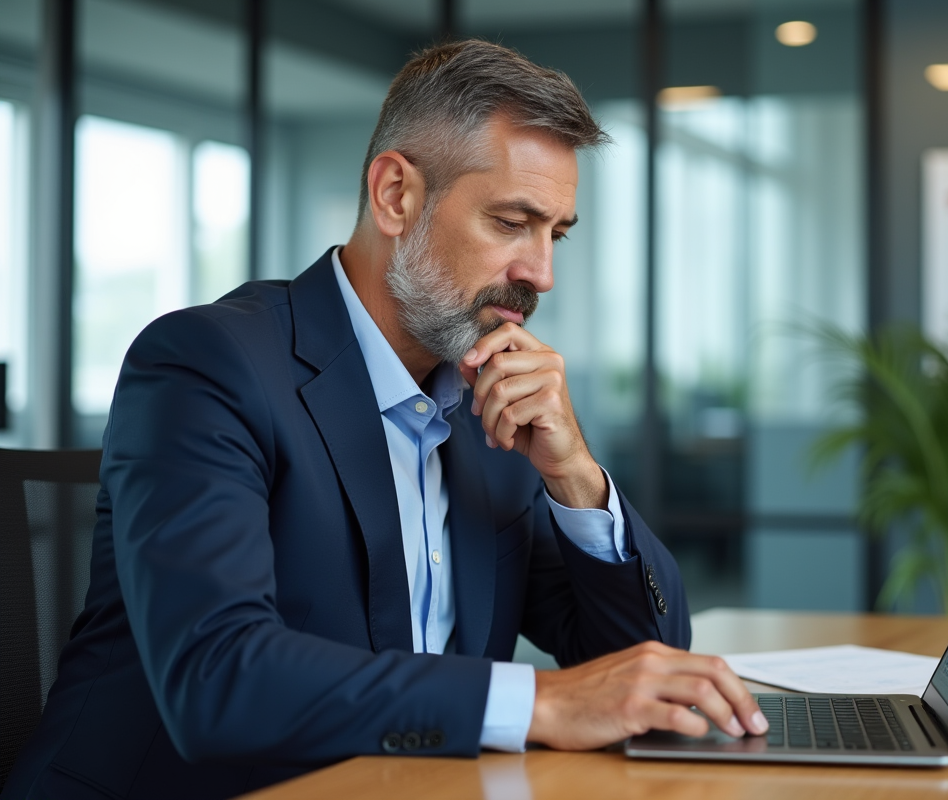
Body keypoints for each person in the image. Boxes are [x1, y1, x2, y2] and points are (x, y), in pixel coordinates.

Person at [2, 40, 767, 800]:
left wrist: (574, 476)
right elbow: (218, 676)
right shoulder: (207, 364)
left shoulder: (488, 404)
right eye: (512, 222)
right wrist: (540, 702)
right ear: (396, 195)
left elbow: (642, 667)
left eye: (556, 233)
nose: (541, 273)